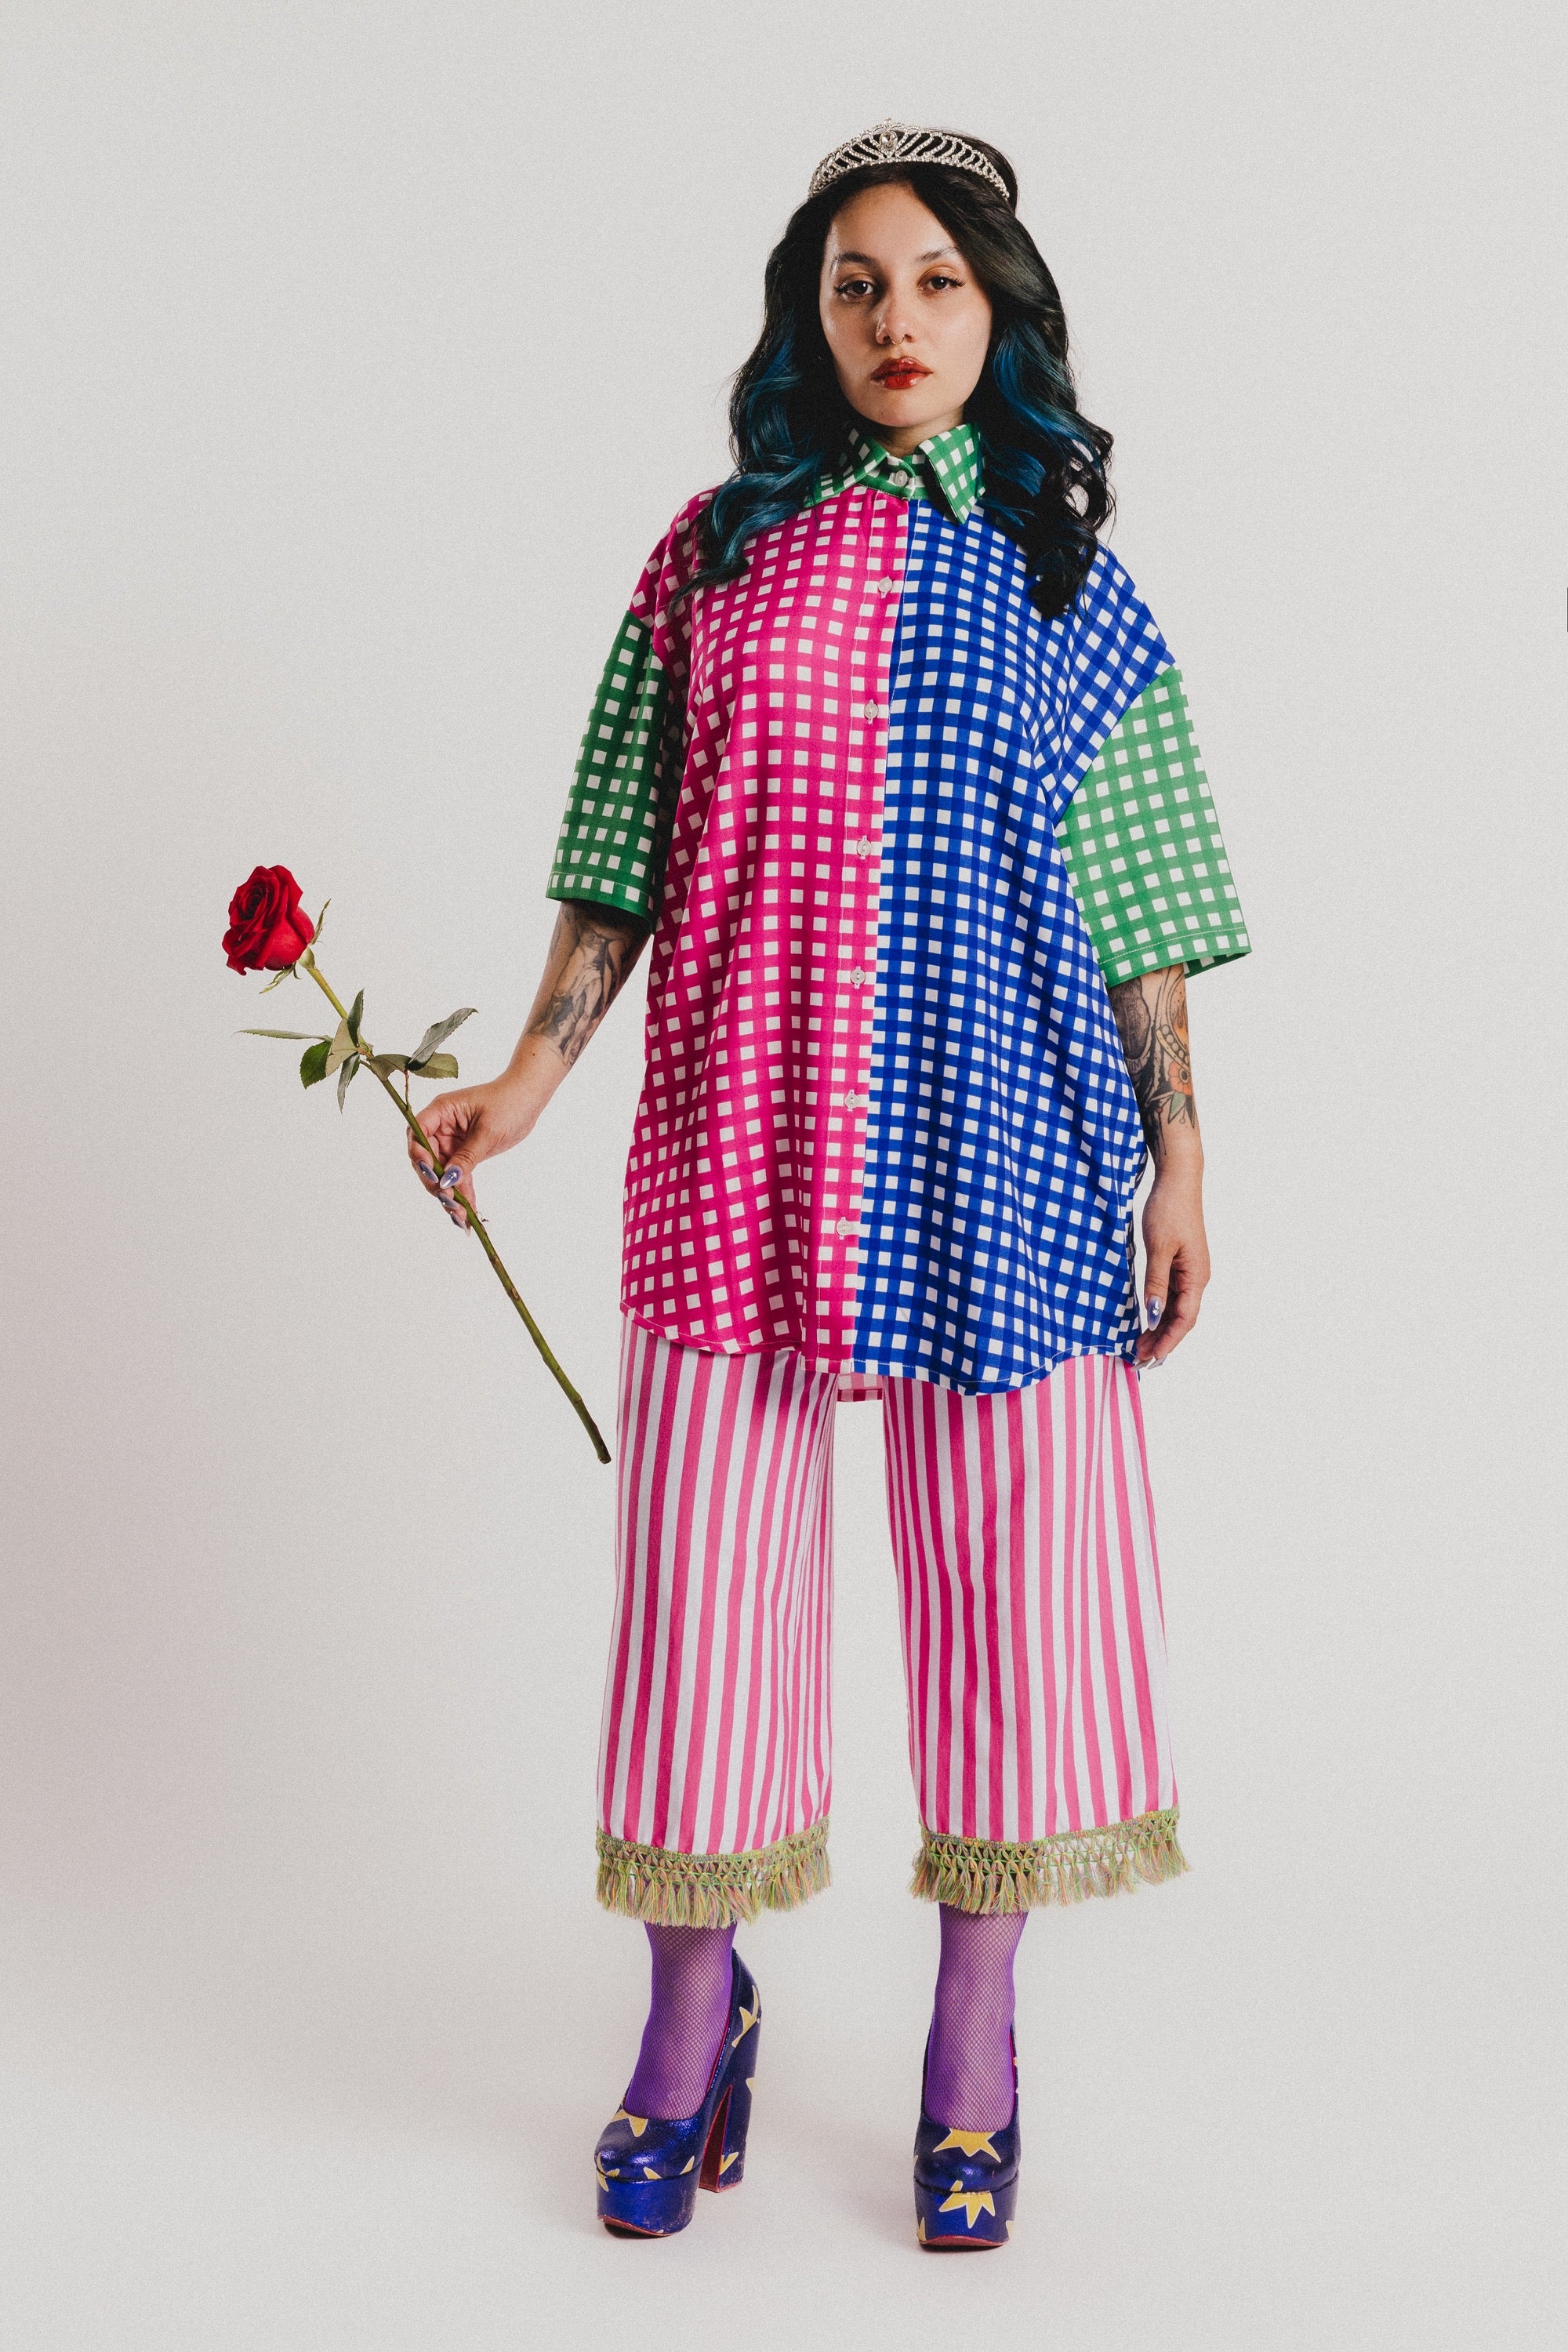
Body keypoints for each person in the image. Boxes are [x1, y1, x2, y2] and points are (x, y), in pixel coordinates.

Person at [410, 119, 1250, 2250]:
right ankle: (690, 2021)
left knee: (1018, 1599)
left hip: (1010, 1144)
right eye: (858, 283)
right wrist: (528, 1077)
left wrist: (1182, 1156)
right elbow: (624, 842)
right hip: (739, 1131)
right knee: (702, 1598)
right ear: (809, 313)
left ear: (1000, 315)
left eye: (939, 283)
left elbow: (1145, 902)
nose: (897, 320)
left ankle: (976, 2038)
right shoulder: (710, 557)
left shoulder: (1067, 581)